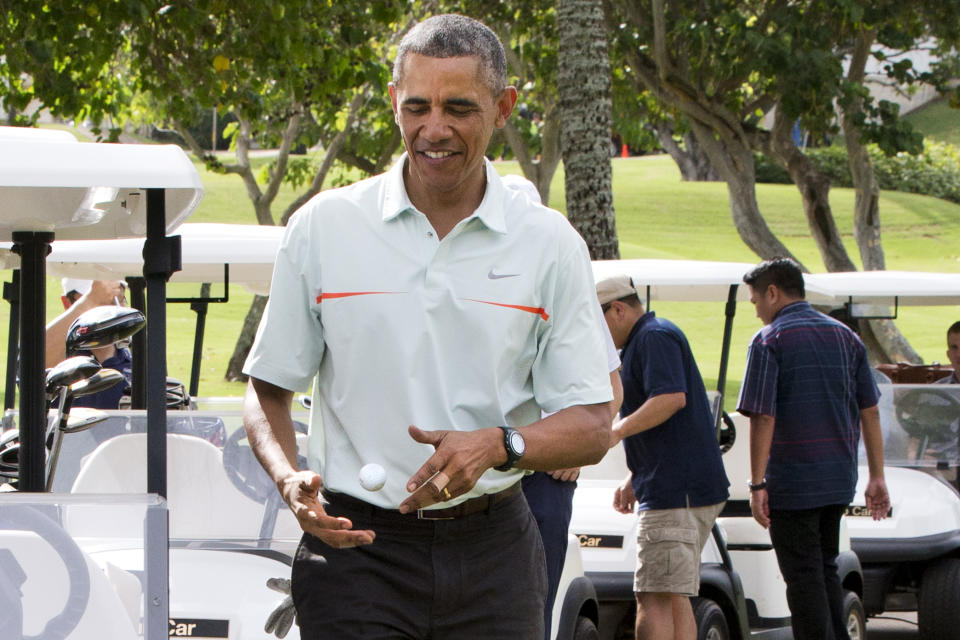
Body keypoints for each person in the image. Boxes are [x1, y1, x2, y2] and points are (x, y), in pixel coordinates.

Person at [241, 14, 613, 640]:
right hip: (355, 550)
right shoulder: (323, 227)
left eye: (459, 108)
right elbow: (268, 386)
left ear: (504, 107)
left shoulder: (550, 244)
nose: (433, 129)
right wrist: (286, 476)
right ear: (394, 103)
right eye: (417, 106)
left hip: (495, 551)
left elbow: (594, 424)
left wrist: (500, 444)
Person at [736, 258, 890, 640]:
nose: (756, 312)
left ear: (773, 293)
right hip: (838, 481)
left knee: (803, 579)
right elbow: (869, 410)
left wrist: (757, 484)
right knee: (824, 570)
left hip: (793, 482)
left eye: (755, 302)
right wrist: (877, 476)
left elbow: (762, 417)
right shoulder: (847, 338)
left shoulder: (769, 340)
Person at [502, 173, 624, 639]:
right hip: (481, 471)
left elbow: (611, 386)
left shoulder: (562, 283)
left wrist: (572, 448)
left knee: (535, 600)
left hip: (544, 473)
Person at [597, 274, 729, 640]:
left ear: (618, 309)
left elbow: (671, 399)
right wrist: (636, 475)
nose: (597, 335)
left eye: (597, 321)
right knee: (673, 595)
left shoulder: (653, 337)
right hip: (677, 486)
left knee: (652, 596)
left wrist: (616, 431)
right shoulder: (650, 337)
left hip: (675, 493)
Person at [45, 278, 131, 409]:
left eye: (116, 300)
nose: (108, 310)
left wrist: (107, 355)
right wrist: (90, 301)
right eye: (101, 303)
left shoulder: (135, 356)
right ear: (67, 303)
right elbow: (31, 369)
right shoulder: (61, 357)